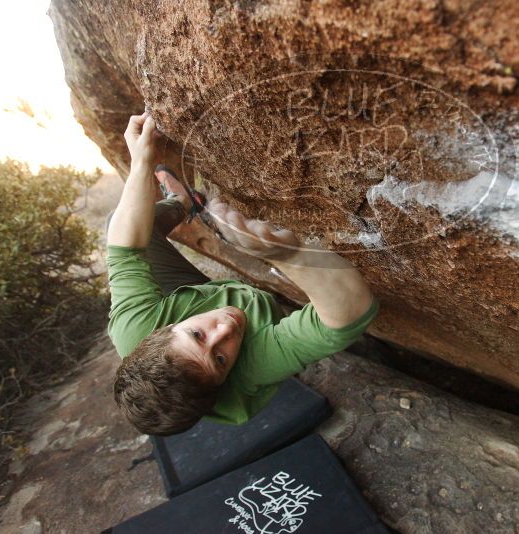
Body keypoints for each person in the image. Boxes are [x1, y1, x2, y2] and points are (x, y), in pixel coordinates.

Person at [107, 112, 378, 435]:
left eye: (198, 336)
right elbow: (347, 318)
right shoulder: (249, 370)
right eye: (220, 358)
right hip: (228, 326)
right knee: (267, 321)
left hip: (178, 298)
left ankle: (185, 202)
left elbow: (124, 247)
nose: (225, 328)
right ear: (223, 380)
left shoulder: (133, 326)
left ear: (161, 331)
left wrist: (141, 160)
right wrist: (288, 254)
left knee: (127, 224)